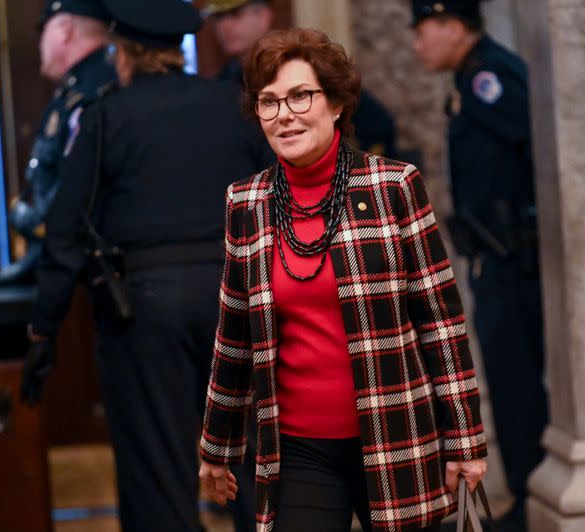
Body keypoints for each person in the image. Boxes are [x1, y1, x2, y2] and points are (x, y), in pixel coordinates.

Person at [199, 28, 488, 532]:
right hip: (298, 451)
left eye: (299, 96)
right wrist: (217, 449)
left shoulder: (391, 186)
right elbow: (234, 338)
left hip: (393, 436)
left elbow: (441, 324)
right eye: (268, 102)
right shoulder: (245, 203)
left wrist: (464, 441)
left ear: (334, 104)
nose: (284, 114)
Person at [19, 0, 272, 530]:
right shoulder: (234, 105)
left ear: (122, 53)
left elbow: (65, 231)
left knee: (158, 468)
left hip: (144, 312)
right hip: (240, 298)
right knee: (257, 461)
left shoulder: (107, 116)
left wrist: (44, 329)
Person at [412, 1, 549, 530]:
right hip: (497, 254)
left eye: (423, 30)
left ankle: (528, 497)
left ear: (452, 26)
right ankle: (525, 494)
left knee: (514, 380)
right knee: (509, 378)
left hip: (511, 258)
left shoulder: (488, 77)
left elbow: (537, 148)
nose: (418, 45)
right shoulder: (472, 76)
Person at [0, 0, 118, 288]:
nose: (40, 43)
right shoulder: (76, 88)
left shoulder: (94, 90)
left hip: (92, 269)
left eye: (44, 31)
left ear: (65, 31)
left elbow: (77, 187)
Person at [204, 0, 398, 158]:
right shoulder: (221, 84)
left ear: (263, 16)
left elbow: (378, 126)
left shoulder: (306, 67)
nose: (225, 26)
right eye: (218, 17)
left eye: (235, 15)